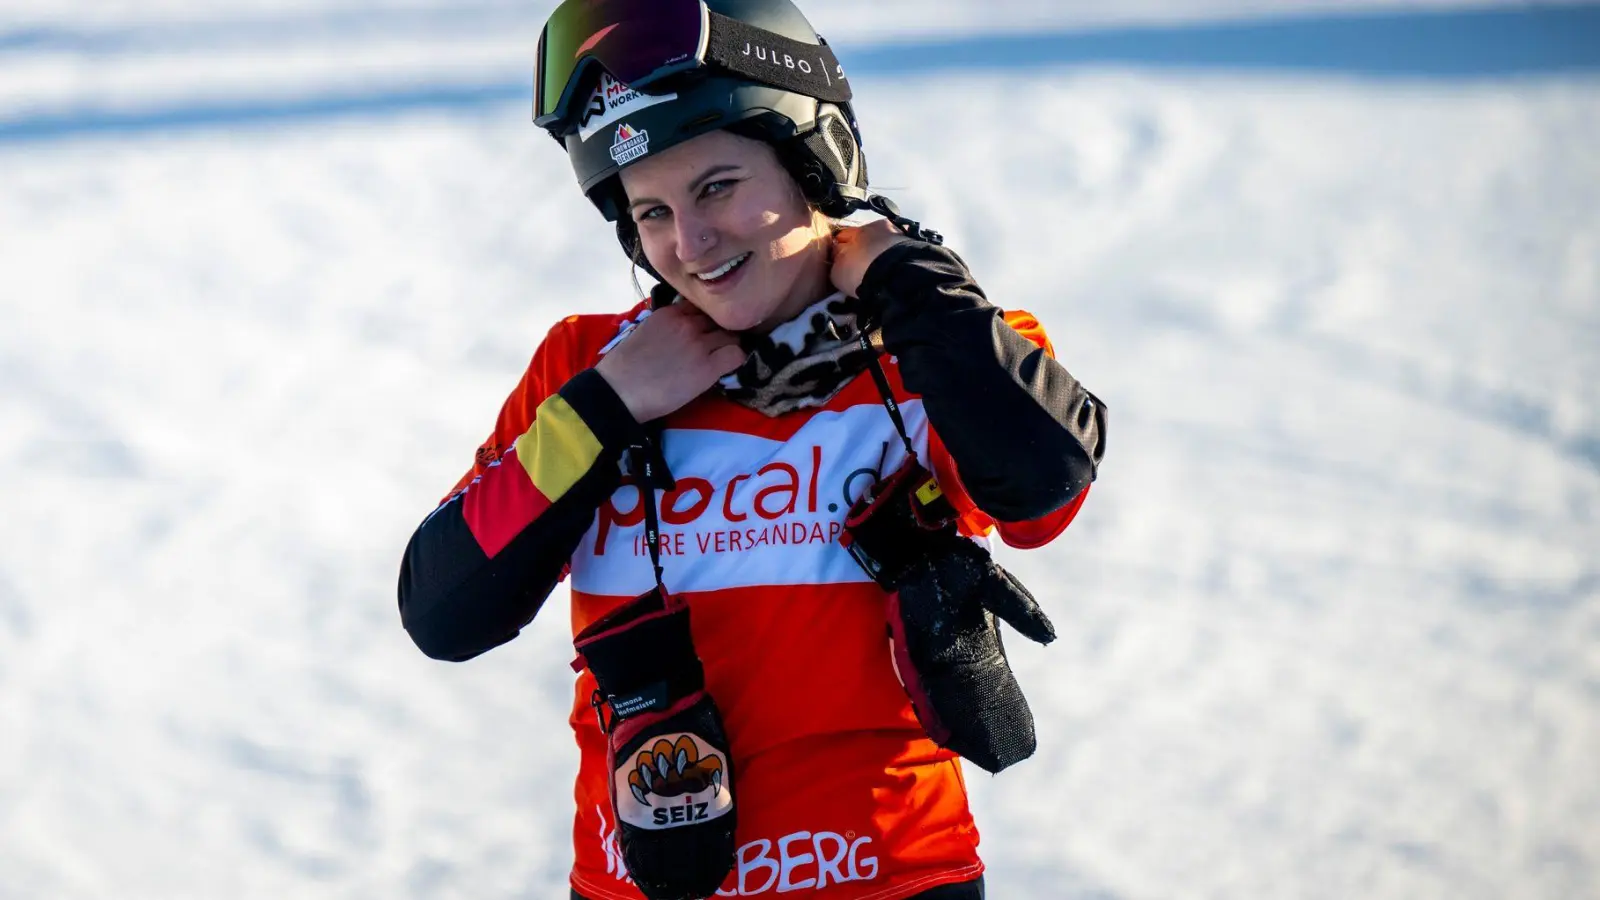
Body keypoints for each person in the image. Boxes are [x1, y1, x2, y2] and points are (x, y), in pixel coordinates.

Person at [397, 1, 1107, 897]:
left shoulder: (940, 353)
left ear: (815, 163)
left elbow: (1043, 489)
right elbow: (444, 613)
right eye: (650, 211)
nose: (689, 245)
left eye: (718, 186)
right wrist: (610, 406)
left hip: (893, 879)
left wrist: (904, 283)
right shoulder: (586, 369)